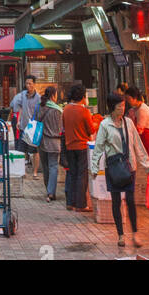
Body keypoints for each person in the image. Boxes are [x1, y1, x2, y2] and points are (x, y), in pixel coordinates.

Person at [91, 92, 149, 251]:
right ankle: (120, 235)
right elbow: (98, 148)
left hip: (130, 167)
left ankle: (135, 233)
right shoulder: (105, 125)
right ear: (112, 108)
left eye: (123, 106)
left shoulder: (129, 123)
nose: (122, 109)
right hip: (113, 169)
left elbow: (137, 144)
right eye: (119, 107)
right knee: (116, 201)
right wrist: (94, 167)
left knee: (131, 201)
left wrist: (146, 163)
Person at [62, 82, 95, 212]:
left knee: (71, 173)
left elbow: (64, 126)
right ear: (82, 96)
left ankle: (70, 202)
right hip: (81, 146)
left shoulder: (66, 109)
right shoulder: (84, 111)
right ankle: (81, 204)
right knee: (82, 175)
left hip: (69, 146)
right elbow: (91, 130)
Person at [38, 86, 63, 202]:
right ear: (53, 95)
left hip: (42, 141)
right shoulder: (58, 110)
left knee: (46, 167)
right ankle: (50, 192)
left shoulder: (41, 107)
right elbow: (61, 128)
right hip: (54, 142)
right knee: (53, 167)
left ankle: (48, 190)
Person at [125, 86, 149, 168]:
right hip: (145, 138)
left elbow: (139, 129)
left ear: (135, 98)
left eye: (129, 99)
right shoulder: (136, 109)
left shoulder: (142, 109)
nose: (128, 101)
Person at [16, 76, 41, 178]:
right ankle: (23, 172)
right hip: (23, 127)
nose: (28, 85)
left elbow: (40, 112)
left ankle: (35, 172)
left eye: (30, 83)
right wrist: (18, 121)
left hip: (33, 129)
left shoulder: (38, 98)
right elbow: (21, 108)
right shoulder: (23, 95)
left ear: (34, 84)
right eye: (27, 83)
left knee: (35, 152)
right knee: (22, 151)